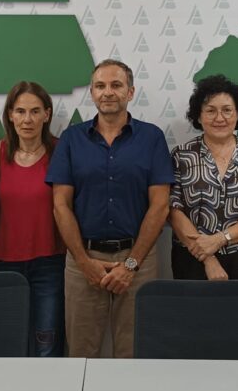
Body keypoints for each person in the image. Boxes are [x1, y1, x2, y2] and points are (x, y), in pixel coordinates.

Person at [47, 59, 174, 358]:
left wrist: (131, 265)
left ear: (130, 92)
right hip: (82, 261)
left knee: (134, 352)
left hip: (138, 261)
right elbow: (60, 206)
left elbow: (159, 206)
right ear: (91, 92)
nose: (108, 92)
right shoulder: (72, 139)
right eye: (100, 86)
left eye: (116, 85)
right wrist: (83, 261)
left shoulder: (151, 137)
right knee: (80, 350)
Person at [169, 75, 238, 286]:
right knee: (194, 319)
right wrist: (207, 256)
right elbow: (173, 210)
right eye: (210, 110)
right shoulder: (182, 156)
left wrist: (220, 239)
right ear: (198, 116)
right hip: (193, 259)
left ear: (237, 114)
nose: (220, 118)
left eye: (227, 110)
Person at [0, 81, 66, 357]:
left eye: (35, 112)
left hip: (50, 263)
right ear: (10, 114)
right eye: (20, 111)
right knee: (8, 342)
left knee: (46, 342)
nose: (27, 119)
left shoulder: (61, 152)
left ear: (47, 114)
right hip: (5, 263)